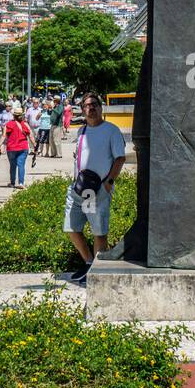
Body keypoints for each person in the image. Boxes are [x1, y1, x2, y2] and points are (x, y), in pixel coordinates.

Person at [64, 93, 126, 280]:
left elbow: (120, 158)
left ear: (101, 108)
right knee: (71, 228)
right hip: (79, 188)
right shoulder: (81, 131)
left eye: (94, 105)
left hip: (96, 190)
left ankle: (99, 271)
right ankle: (89, 263)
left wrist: (108, 183)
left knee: (98, 231)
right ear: (82, 110)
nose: (91, 108)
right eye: (87, 106)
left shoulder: (111, 130)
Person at [0, 107, 31, 188]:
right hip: (23, 148)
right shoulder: (25, 124)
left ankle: (12, 183)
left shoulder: (8, 124)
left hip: (11, 148)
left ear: (13, 115)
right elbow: (31, 136)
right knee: (21, 165)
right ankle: (21, 183)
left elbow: (3, 135)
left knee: (13, 165)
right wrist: (34, 146)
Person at [32, 97, 53, 168]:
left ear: (48, 105)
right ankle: (41, 152)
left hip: (48, 128)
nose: (44, 106)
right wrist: (38, 115)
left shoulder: (50, 112)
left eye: (46, 105)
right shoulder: (41, 112)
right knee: (41, 141)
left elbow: (52, 119)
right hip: (41, 128)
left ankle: (47, 152)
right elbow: (36, 118)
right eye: (43, 105)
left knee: (47, 141)